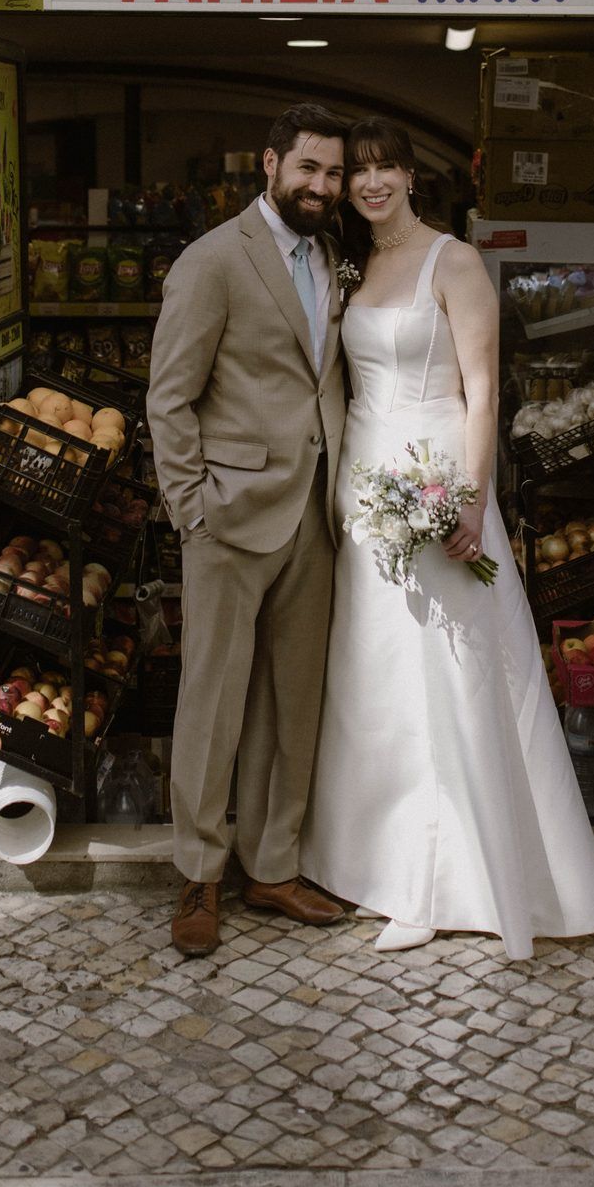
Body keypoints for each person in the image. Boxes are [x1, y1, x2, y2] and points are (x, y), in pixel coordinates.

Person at [299, 115, 594, 960]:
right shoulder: (354, 263)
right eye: (356, 172)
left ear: (411, 176)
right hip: (365, 484)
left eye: (384, 169)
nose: (369, 184)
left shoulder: (456, 261)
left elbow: (483, 395)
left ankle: (436, 882)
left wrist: (472, 503)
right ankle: (367, 860)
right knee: (375, 679)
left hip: (435, 479)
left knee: (446, 676)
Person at [147, 102, 351, 958]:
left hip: (315, 510)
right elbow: (168, 395)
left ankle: (271, 866)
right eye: (308, 168)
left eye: (333, 174)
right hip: (229, 514)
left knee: (290, 701)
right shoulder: (212, 261)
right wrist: (191, 509)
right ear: (269, 165)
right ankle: (197, 872)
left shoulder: (335, 256)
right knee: (212, 700)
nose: (322, 186)